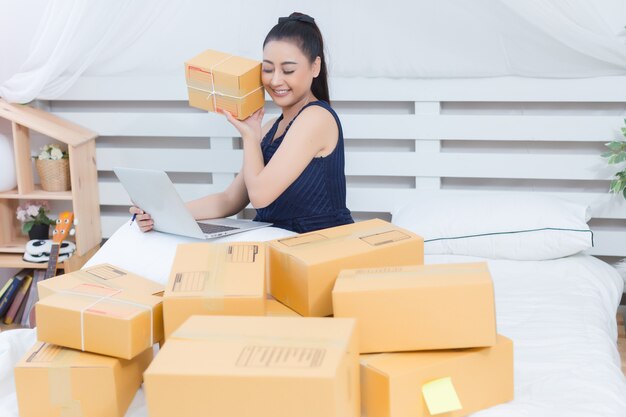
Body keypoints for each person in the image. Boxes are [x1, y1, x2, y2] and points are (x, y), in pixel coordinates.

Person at [130, 12, 354, 234]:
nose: (275, 80)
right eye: (267, 69)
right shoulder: (269, 129)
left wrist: (249, 137)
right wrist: (160, 213)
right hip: (275, 241)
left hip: (317, 246)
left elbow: (259, 196)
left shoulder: (316, 118)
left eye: (288, 70)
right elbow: (229, 200)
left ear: (315, 67)